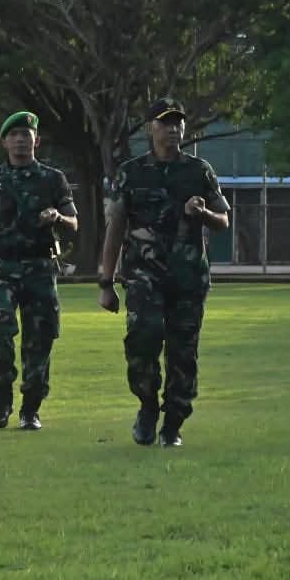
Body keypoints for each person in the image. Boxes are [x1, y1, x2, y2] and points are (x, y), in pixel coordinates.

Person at [98, 98, 230, 448]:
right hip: (143, 277)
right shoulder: (131, 172)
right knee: (142, 342)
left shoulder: (199, 171)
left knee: (183, 352)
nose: (173, 128)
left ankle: (173, 423)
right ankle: (147, 406)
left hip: (188, 279)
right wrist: (106, 282)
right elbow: (115, 227)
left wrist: (203, 214)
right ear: (149, 128)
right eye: (165, 122)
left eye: (178, 122)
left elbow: (223, 220)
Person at [0, 111, 78, 431]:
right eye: (13, 135)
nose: (20, 140)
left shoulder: (53, 179)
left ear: (36, 141)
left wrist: (57, 217)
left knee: (40, 339)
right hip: (1, 268)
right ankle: (1, 401)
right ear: (4, 142)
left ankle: (31, 408)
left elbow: (74, 222)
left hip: (40, 269)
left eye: (26, 135)